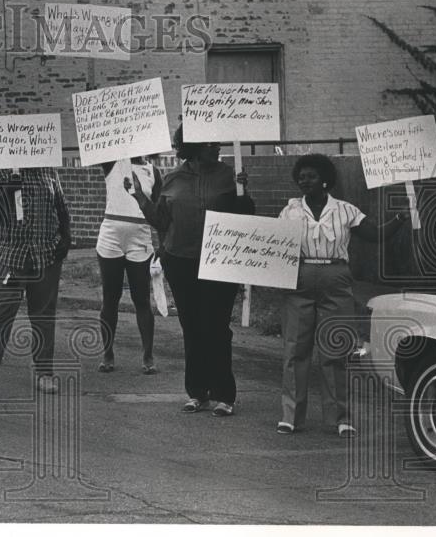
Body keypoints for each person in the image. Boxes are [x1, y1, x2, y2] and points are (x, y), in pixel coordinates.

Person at [276, 154, 407, 436]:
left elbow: (375, 235)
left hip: (336, 278)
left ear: (325, 180)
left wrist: (400, 217)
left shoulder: (345, 210)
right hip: (299, 276)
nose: (303, 180)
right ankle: (291, 416)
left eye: (310, 176)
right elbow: (274, 246)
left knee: (334, 347)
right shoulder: (289, 212)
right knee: (295, 348)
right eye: (300, 176)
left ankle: (340, 418)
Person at [131, 124, 252, 417]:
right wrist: (140, 198)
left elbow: (247, 216)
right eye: (211, 143)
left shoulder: (229, 176)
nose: (217, 147)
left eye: (218, 142)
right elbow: (161, 221)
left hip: (220, 261)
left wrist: (243, 192)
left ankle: (224, 394)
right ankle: (197, 392)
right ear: (194, 145)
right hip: (180, 260)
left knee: (217, 328)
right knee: (192, 327)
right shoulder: (173, 178)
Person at [0, 167, 72, 396]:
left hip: (46, 253)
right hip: (10, 255)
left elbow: (61, 205)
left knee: (43, 315)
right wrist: (7, 191)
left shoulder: (47, 170)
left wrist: (67, 236)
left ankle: (44, 373)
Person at [95, 156, 163, 374]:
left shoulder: (153, 171)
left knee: (141, 297)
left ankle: (148, 355)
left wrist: (162, 244)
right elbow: (97, 149)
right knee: (110, 297)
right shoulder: (112, 162)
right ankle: (107, 353)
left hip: (140, 236)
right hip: (111, 234)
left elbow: (160, 212)